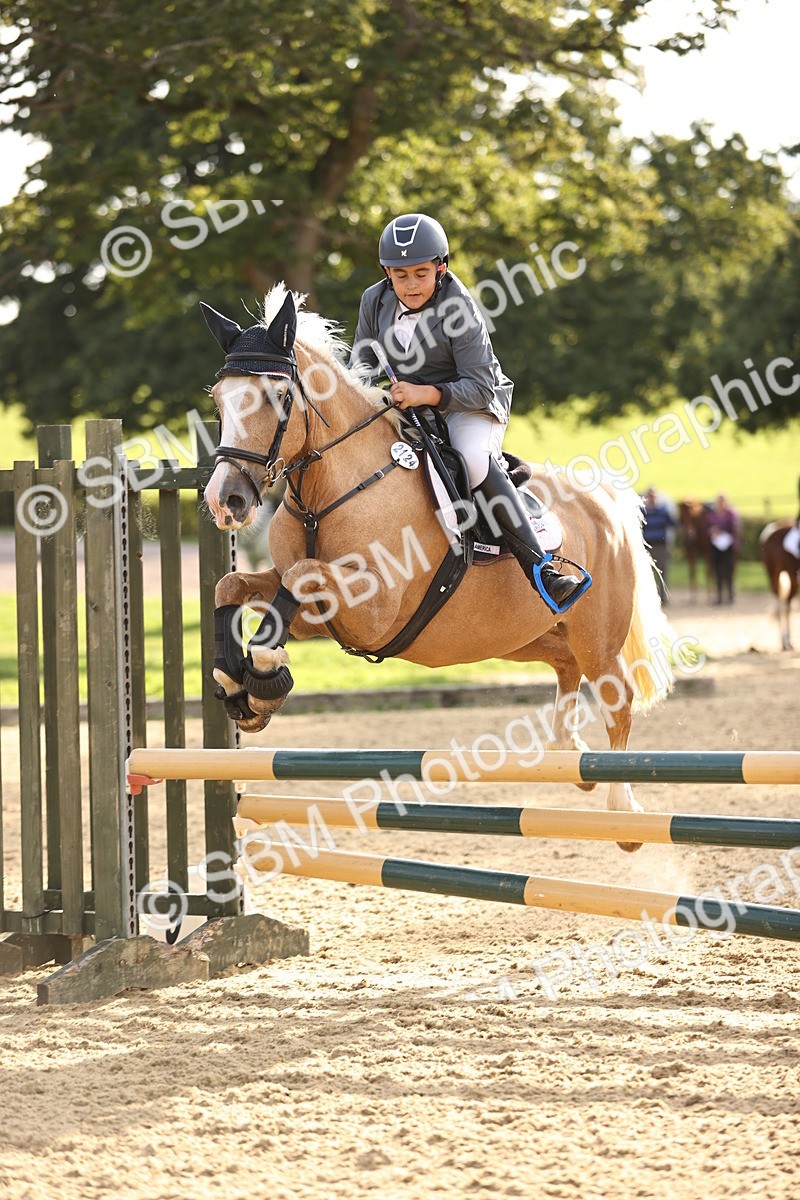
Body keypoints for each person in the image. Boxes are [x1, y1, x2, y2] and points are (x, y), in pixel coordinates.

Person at [348, 212, 589, 612]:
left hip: (472, 403)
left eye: (421, 274)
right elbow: (361, 366)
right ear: (387, 272)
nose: (411, 285)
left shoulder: (460, 307)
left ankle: (541, 571)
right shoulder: (374, 300)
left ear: (441, 267)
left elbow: (478, 386)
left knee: (473, 460)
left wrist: (425, 393)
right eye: (401, 275)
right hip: (408, 404)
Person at [642, 487, 676, 604]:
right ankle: (650, 598)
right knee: (647, 573)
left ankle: (663, 597)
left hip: (660, 545)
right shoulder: (644, 511)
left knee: (662, 571)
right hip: (647, 546)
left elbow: (672, 523)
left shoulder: (662, 511)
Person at [707, 493, 740, 604]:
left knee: (728, 571)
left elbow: (735, 529)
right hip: (716, 546)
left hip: (728, 546)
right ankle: (719, 596)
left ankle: (730, 595)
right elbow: (706, 528)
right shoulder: (712, 515)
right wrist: (712, 531)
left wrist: (721, 531)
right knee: (718, 571)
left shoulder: (731, 514)